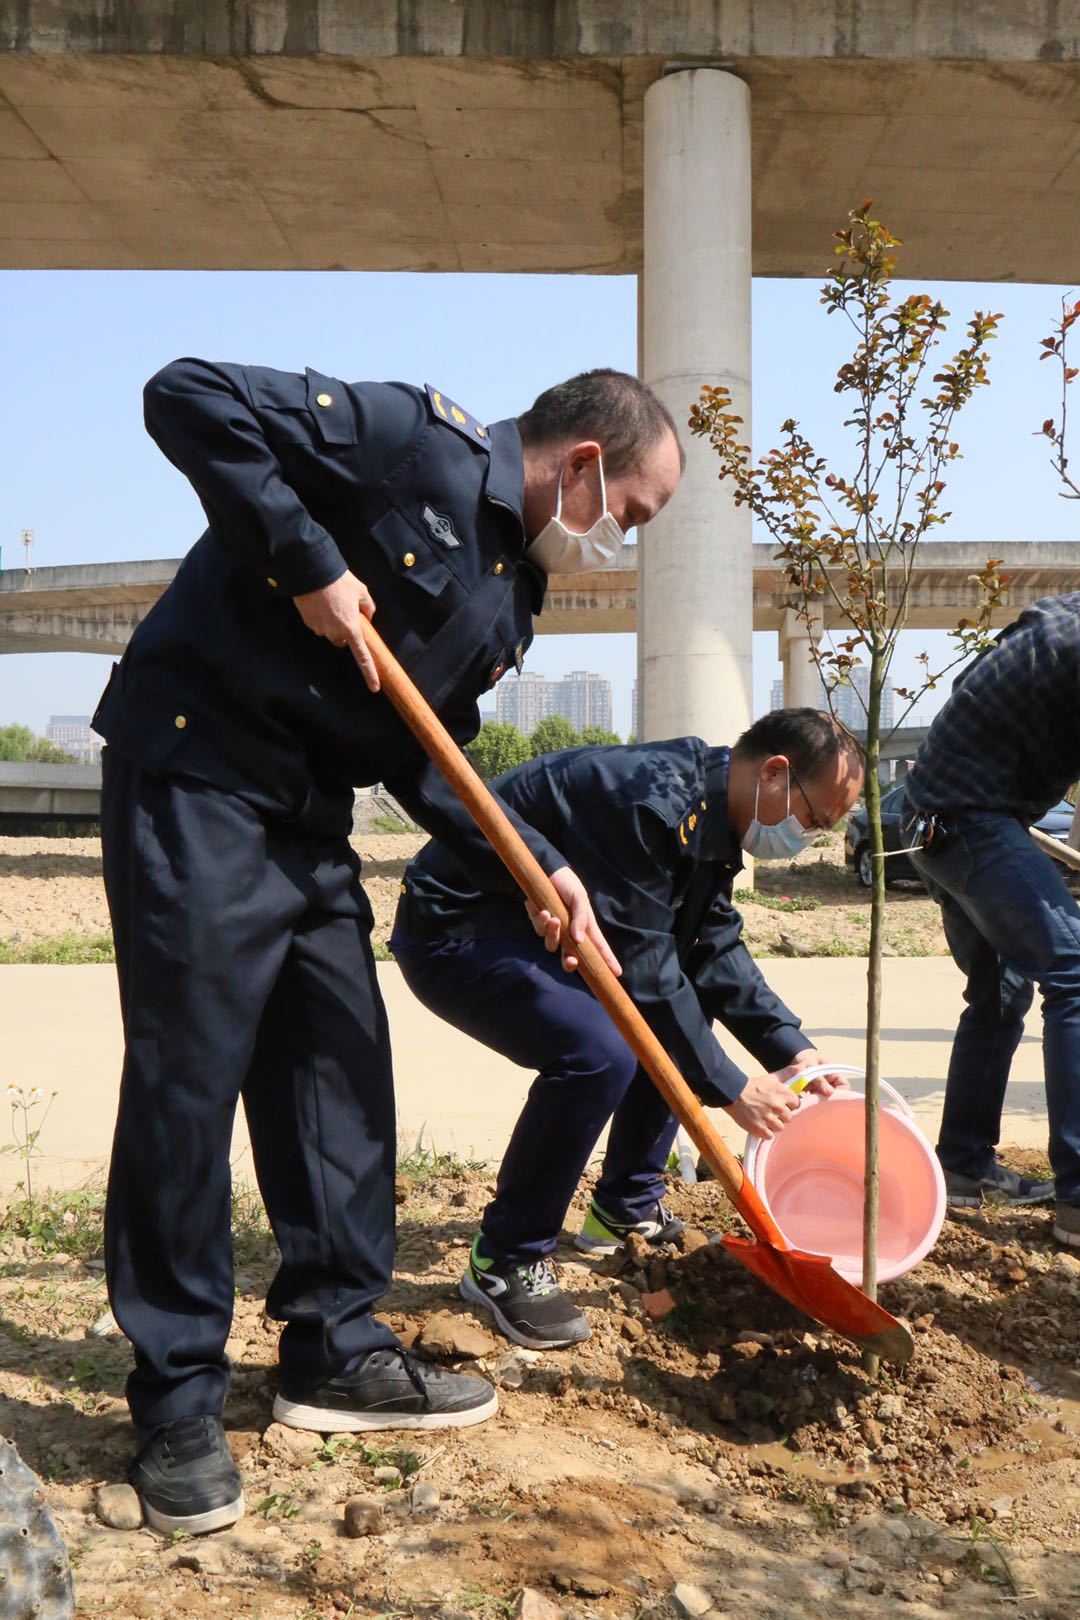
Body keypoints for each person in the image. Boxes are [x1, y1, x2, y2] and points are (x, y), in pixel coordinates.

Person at [92, 360, 683, 1533]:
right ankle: (175, 1399)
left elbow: (431, 754)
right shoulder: (408, 443)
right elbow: (187, 394)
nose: (625, 539)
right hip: (197, 773)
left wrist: (537, 864)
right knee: (190, 1082)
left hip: (310, 820)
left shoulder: (512, 598)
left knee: (338, 1077)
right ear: (581, 465)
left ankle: (332, 1347)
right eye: (633, 512)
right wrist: (306, 562)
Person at [390, 710, 864, 1349]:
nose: (810, 837)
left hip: (539, 934)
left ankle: (624, 1209)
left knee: (657, 1028)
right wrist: (731, 1089)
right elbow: (648, 973)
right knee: (601, 1051)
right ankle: (505, 1260)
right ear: (776, 772)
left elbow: (710, 944)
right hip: (460, 929)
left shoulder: (713, 812)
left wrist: (792, 1050)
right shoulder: (652, 803)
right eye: (815, 819)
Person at [902, 593, 1080, 1234]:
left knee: (1002, 993)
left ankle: (965, 1166)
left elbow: (966, 690)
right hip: (967, 820)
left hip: (933, 816)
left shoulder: (1057, 620)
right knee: (1074, 973)